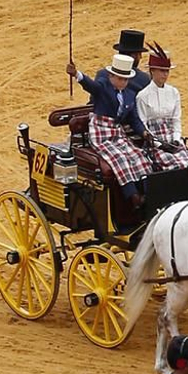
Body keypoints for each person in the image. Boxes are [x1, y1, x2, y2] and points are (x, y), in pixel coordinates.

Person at [65, 27, 154, 225]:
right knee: (119, 158)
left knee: (139, 157)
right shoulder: (106, 84)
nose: (122, 82)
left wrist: (144, 133)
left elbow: (135, 119)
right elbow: (92, 87)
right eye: (119, 78)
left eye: (125, 79)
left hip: (120, 133)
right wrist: (77, 74)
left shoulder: (130, 90)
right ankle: (133, 196)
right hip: (103, 132)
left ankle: (148, 194)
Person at [134, 43, 188, 171]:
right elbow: (144, 125)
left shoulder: (174, 92)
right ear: (152, 71)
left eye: (167, 71)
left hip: (172, 140)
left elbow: (176, 119)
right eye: (162, 71)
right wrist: (159, 144)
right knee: (176, 167)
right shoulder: (142, 96)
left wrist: (176, 140)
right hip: (155, 143)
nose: (165, 74)